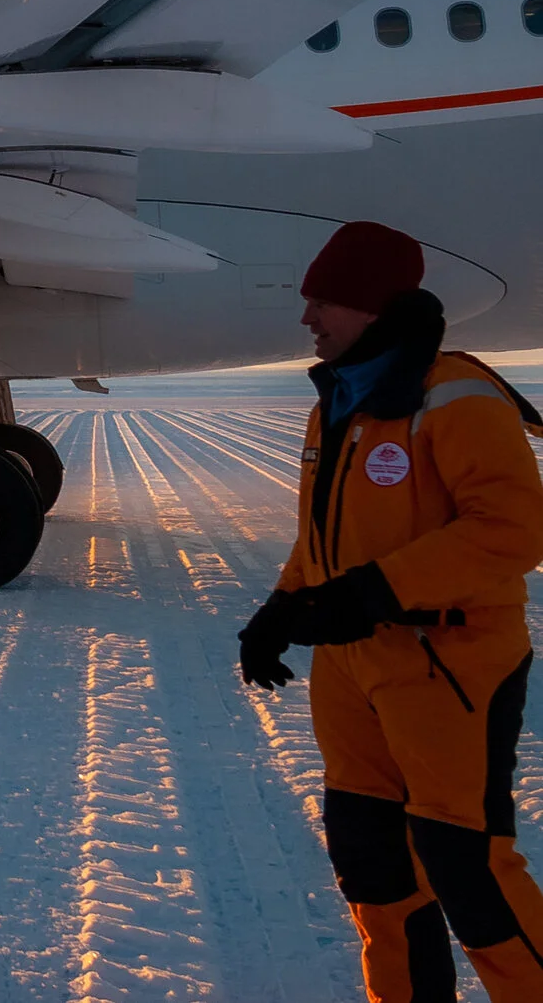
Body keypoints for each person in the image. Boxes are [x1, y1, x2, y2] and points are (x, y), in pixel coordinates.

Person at [240, 222, 543, 1001]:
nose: (308, 318)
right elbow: (323, 538)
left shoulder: (457, 395)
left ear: (374, 307)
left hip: (448, 661)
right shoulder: (337, 401)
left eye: (324, 301)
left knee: (465, 863)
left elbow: (513, 528)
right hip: (352, 668)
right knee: (370, 861)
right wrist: (281, 609)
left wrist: (375, 592)